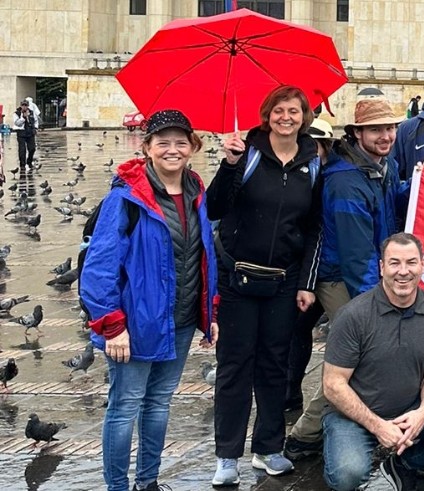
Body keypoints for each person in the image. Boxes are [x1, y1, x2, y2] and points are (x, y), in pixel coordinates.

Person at [82, 109, 219, 491]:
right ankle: (117, 487)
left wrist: (210, 312)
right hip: (134, 324)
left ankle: (148, 481)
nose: (172, 149)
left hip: (178, 320)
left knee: (159, 403)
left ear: (193, 147)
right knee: (125, 407)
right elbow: (99, 268)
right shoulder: (126, 198)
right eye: (163, 142)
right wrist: (112, 325)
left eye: (180, 142)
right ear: (147, 147)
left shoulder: (195, 189)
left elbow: (204, 253)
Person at [207, 86, 324, 484]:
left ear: (304, 116)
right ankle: (226, 456)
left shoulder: (313, 160)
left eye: (294, 111)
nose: (286, 117)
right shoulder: (248, 152)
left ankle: (268, 447)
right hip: (239, 274)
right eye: (279, 110)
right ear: (266, 114)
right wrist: (228, 164)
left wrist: (307, 283)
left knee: (276, 364)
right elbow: (214, 208)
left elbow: (314, 228)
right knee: (235, 365)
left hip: (284, 280)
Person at [284, 97, 407, 460]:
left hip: (369, 268)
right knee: (358, 349)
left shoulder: (383, 166)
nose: (385, 136)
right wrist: (378, 303)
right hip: (341, 276)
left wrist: (417, 184)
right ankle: (305, 434)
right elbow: (356, 254)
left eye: (390, 128)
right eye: (376, 130)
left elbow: (387, 208)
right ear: (357, 134)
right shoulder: (345, 181)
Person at [321, 234, 424, 490]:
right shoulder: (353, 315)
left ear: (423, 265)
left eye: (411, 263)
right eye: (394, 263)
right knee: (348, 475)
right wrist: (378, 426)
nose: (403, 272)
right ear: (381, 267)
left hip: (410, 408)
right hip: (354, 417)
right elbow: (333, 384)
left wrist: (423, 413)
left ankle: (407, 462)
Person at [285, 119, 340, 414]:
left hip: (330, 270)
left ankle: (327, 401)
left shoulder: (336, 176)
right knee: (297, 332)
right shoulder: (296, 176)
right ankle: (291, 396)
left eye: (315, 145)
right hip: (304, 268)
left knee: (343, 334)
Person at [12, 100, 37, 170]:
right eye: (23, 105)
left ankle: (29, 161)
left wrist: (35, 128)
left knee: (32, 148)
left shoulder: (31, 112)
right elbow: (17, 123)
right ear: (21, 106)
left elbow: (35, 120)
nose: (24, 107)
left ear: (28, 106)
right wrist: (23, 118)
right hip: (21, 132)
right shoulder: (16, 113)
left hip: (30, 132)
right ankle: (22, 164)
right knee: (22, 150)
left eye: (26, 105)